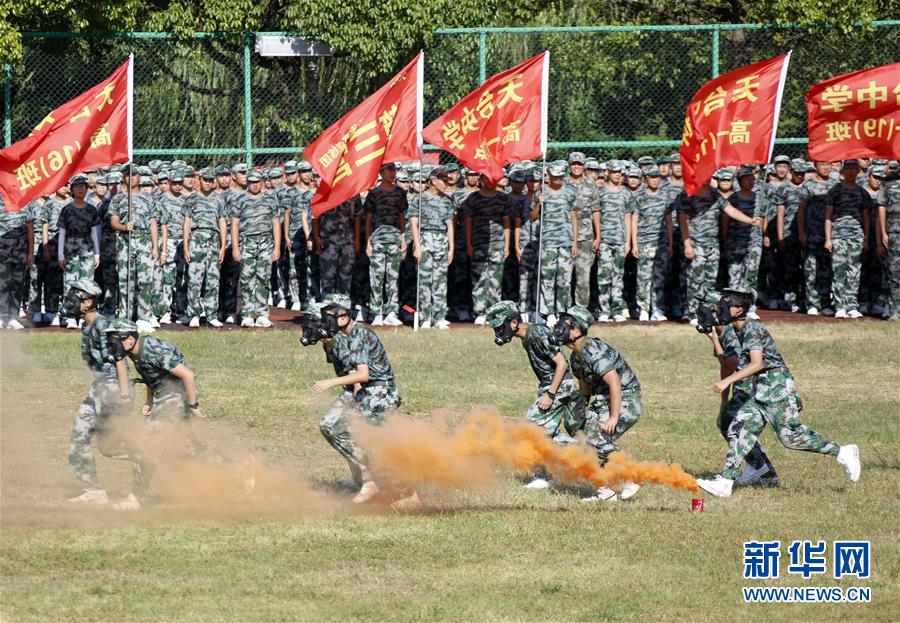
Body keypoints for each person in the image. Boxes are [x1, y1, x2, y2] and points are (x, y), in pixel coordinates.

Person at [695, 289, 861, 498]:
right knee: (740, 427)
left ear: (738, 310)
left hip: (777, 385)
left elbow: (757, 363)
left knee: (790, 437)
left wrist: (727, 381)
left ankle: (843, 451)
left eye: (724, 307)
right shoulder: (738, 330)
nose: (720, 311)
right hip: (763, 387)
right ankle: (726, 482)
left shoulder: (752, 328)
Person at [313, 296, 415, 508]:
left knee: (375, 444)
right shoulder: (348, 335)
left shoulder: (359, 335)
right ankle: (368, 479)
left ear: (344, 316)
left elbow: (362, 375)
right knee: (335, 427)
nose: (326, 323)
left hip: (380, 393)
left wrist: (329, 383)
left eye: (328, 319)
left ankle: (408, 494)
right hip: (370, 392)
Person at [103, 318, 209, 510]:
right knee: (187, 449)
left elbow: (188, 375)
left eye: (114, 340)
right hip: (165, 395)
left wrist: (193, 406)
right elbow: (153, 376)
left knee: (146, 445)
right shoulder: (134, 352)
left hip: (176, 396)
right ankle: (240, 471)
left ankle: (137, 498)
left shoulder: (154, 350)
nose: (112, 346)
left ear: (129, 340)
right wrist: (150, 400)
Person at [486, 300, 586, 489]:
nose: (498, 332)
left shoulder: (537, 334)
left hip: (559, 387)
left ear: (513, 323)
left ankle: (586, 452)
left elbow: (562, 363)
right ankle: (549, 472)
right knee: (546, 434)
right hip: (551, 386)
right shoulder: (527, 337)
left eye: (500, 327)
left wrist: (550, 394)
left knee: (529, 429)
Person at [550, 305, 642, 502]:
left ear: (577, 329)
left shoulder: (594, 351)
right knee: (582, 435)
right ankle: (604, 491)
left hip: (625, 398)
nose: (559, 327)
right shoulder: (576, 357)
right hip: (603, 399)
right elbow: (585, 390)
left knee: (597, 440)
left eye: (565, 324)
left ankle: (631, 476)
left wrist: (614, 417)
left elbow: (615, 382)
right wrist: (576, 413)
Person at [695, 291, 779, 487]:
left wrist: (724, 399)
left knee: (733, 425)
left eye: (711, 306)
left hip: (751, 385)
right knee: (730, 424)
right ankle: (764, 471)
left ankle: (759, 469)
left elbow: (729, 364)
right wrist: (714, 339)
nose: (705, 310)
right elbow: (723, 360)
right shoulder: (725, 329)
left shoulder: (731, 332)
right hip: (744, 384)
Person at [63, 280, 136, 504]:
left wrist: (123, 396)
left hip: (114, 388)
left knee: (111, 447)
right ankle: (93, 490)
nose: (72, 300)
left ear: (90, 302)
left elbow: (119, 361)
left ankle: (154, 459)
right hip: (99, 389)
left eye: (78, 296)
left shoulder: (103, 326)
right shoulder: (88, 326)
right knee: (79, 437)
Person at [298, 298, 362, 489]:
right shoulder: (329, 340)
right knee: (332, 429)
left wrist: (358, 410)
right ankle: (359, 477)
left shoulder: (340, 341)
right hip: (350, 392)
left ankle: (368, 478)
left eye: (312, 320)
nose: (308, 326)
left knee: (337, 428)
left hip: (362, 394)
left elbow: (357, 377)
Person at [110, 173, 159, 332]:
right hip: (126, 241)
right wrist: (125, 227)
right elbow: (114, 222)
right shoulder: (118, 199)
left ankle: (143, 318)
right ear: (123, 178)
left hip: (144, 240)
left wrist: (155, 246)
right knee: (125, 280)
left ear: (139, 177)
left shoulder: (148, 198)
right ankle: (125, 317)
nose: (131, 178)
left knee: (145, 280)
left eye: (134, 174)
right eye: (127, 174)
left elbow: (153, 223)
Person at [232, 169, 280, 327]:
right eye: (251, 182)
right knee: (246, 278)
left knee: (263, 278)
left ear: (261, 182)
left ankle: (261, 313)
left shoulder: (270, 199)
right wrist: (235, 248)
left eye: (257, 182)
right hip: (247, 242)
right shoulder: (240, 199)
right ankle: (247, 313)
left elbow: (275, 223)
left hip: (266, 242)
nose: (254, 185)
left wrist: (277, 247)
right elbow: (235, 224)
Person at [824, 159, 872, 318]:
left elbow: (866, 217)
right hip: (838, 236)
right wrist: (828, 238)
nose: (851, 172)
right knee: (839, 270)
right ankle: (840, 306)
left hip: (857, 236)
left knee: (854, 271)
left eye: (854, 169)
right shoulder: (835, 191)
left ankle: (852, 305)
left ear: (858, 171)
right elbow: (828, 215)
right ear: (843, 171)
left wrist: (865, 238)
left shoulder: (862, 193)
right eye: (848, 168)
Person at [409, 168, 455, 329]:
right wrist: (417, 245)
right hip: (425, 238)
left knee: (440, 281)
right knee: (424, 280)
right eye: (443, 181)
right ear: (433, 181)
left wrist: (451, 247)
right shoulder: (420, 199)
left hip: (441, 240)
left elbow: (450, 225)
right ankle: (425, 317)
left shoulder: (447, 200)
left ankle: (439, 316)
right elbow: (414, 223)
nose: (446, 184)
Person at [463, 174, 512, 325]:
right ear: (481, 180)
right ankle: (480, 312)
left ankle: (494, 312)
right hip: (479, 243)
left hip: (498, 244)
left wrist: (506, 245)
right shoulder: (473, 198)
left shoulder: (503, 198)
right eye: (486, 178)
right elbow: (468, 222)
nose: (490, 182)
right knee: (479, 278)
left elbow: (506, 222)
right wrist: (469, 244)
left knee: (495, 280)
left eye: (492, 179)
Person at [183, 167, 227, 327]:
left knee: (213, 279)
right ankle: (193, 314)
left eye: (210, 180)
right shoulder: (191, 199)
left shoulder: (219, 199)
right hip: (197, 238)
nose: (208, 183)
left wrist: (223, 246)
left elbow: (222, 222)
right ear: (199, 180)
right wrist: (186, 246)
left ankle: (211, 314)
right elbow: (187, 222)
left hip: (214, 240)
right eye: (205, 180)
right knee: (195, 279)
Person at [365, 163, 407, 326]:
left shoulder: (400, 193)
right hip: (377, 239)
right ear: (381, 172)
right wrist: (368, 241)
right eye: (389, 170)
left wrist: (403, 237)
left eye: (394, 170)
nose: (392, 173)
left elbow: (402, 215)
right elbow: (368, 218)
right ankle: (376, 312)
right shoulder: (374, 194)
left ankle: (391, 312)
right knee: (376, 277)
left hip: (395, 239)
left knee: (393, 277)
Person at [57, 175, 101, 329]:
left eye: (83, 186)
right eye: (77, 187)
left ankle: (84, 317)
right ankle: (69, 316)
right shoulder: (66, 210)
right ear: (72, 190)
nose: (80, 189)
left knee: (87, 285)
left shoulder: (91, 209)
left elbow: (95, 232)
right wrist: (60, 255)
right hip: (70, 251)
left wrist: (97, 253)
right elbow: (62, 232)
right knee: (69, 283)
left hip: (87, 250)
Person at [535, 164, 577, 324]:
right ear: (549, 176)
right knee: (547, 278)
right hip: (548, 243)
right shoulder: (542, 192)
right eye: (555, 176)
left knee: (564, 279)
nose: (558, 179)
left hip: (566, 242)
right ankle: (549, 312)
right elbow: (532, 216)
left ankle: (561, 311)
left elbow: (574, 217)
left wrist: (574, 242)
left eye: (560, 176)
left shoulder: (570, 193)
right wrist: (539, 203)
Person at [594, 161, 635, 322]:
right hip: (604, 240)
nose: (617, 174)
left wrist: (628, 242)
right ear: (607, 173)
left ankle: (616, 309)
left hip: (620, 240)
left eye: (619, 172)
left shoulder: (626, 193)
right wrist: (598, 236)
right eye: (614, 172)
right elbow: (596, 214)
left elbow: (628, 217)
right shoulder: (600, 192)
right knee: (603, 275)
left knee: (618, 276)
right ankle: (603, 310)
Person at [631, 165, 672, 321]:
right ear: (645, 179)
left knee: (659, 277)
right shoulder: (640, 197)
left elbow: (668, 219)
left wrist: (670, 241)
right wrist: (634, 244)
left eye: (657, 177)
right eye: (651, 177)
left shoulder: (665, 196)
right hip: (644, 242)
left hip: (661, 242)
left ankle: (657, 308)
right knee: (643, 277)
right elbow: (634, 220)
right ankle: (643, 309)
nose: (654, 180)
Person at [797, 161, 835, 315]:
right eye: (822, 165)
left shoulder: (835, 185)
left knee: (827, 268)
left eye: (828, 165)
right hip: (812, 232)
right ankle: (812, 303)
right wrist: (801, 233)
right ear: (816, 167)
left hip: (829, 234)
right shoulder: (808, 185)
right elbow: (801, 211)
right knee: (811, 269)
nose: (826, 167)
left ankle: (825, 302)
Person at [566, 152, 601, 309]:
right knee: (564, 277)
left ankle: (580, 310)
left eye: (579, 164)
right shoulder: (562, 184)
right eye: (574, 164)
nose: (576, 167)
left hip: (586, 237)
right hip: (565, 236)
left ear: (584, 166)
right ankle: (564, 309)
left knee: (583, 277)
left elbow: (596, 211)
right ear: (569, 165)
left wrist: (598, 236)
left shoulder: (591, 186)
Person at [774, 160, 808, 313]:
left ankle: (805, 299)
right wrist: (780, 236)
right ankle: (790, 298)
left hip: (808, 233)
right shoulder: (783, 189)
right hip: (789, 233)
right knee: (790, 267)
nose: (799, 176)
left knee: (807, 268)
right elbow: (780, 214)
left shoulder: (809, 188)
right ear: (791, 172)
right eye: (797, 173)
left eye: (802, 173)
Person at [0, 194, 34, 330]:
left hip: (20, 252)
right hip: (2, 252)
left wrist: (31, 253)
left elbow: (30, 230)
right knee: (2, 284)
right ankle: (2, 316)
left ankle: (13, 316)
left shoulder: (24, 204)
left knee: (17, 284)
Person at [877, 164, 900, 320]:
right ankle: (895, 310)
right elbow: (882, 206)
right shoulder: (889, 180)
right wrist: (884, 232)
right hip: (894, 230)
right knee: (894, 272)